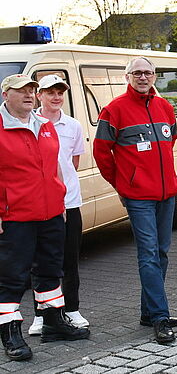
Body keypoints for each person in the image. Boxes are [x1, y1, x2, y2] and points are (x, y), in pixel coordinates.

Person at [0, 74, 90, 362]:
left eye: (31, 89)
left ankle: (53, 321)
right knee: (12, 277)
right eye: (21, 90)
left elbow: (56, 167)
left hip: (51, 213)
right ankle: (10, 333)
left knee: (51, 270)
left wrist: (60, 199)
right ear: (5, 95)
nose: (29, 94)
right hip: (15, 216)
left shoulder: (45, 125)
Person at [93, 57, 177, 344]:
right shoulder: (113, 110)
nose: (143, 77)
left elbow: (169, 142)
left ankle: (149, 311)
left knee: (162, 252)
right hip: (139, 197)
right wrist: (122, 184)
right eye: (137, 73)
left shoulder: (165, 107)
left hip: (167, 194)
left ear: (154, 76)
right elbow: (101, 153)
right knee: (149, 254)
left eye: (148, 73)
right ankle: (160, 317)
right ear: (127, 77)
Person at [27, 75, 89, 336]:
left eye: (59, 93)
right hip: (40, 205)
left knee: (70, 260)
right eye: (50, 92)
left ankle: (72, 310)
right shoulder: (29, 124)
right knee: (40, 263)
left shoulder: (73, 125)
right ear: (39, 95)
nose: (55, 97)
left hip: (70, 202)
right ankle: (41, 315)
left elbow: (72, 163)